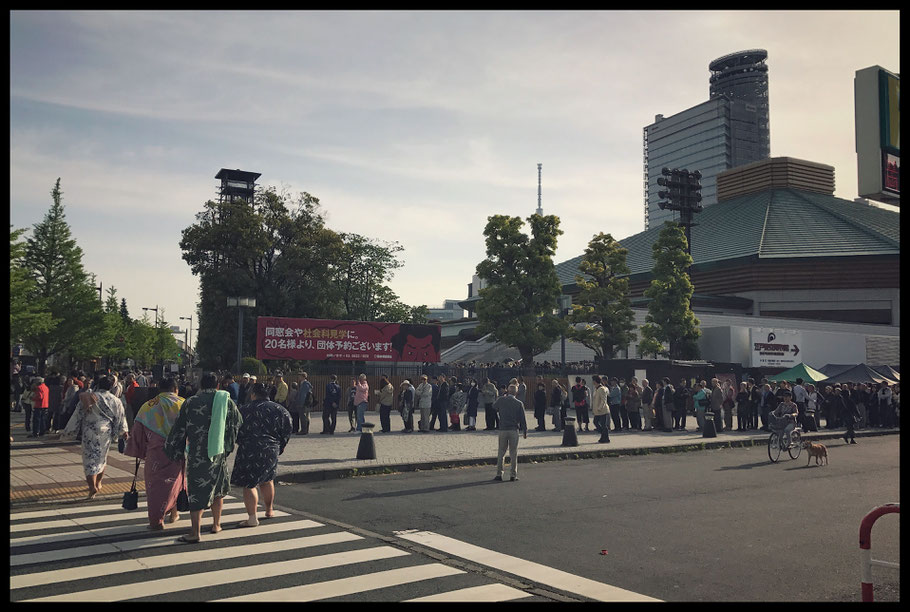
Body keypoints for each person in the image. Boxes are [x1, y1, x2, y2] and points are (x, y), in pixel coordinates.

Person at [164, 372, 242, 543]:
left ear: (200, 385)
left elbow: (179, 428)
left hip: (197, 453)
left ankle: (195, 532)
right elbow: (236, 423)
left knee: (197, 492)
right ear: (218, 386)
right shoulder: (225, 401)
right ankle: (216, 524)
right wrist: (228, 445)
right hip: (218, 452)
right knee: (218, 489)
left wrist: (174, 451)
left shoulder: (191, 402)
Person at [124, 377, 186, 530]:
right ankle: (174, 512)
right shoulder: (184, 404)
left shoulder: (149, 405)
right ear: (175, 389)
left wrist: (139, 449)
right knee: (176, 483)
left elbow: (138, 430)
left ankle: (157, 521)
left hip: (155, 453)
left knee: (155, 487)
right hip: (178, 451)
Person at [230, 382, 292, 528]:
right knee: (268, 480)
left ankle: (252, 517)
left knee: (249, 484)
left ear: (253, 394)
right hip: (271, 448)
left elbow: (235, 429)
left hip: (249, 448)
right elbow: (288, 429)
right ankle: (269, 510)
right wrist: (280, 445)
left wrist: (240, 441)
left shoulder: (244, 410)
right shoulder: (280, 409)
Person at [63, 375, 129, 499]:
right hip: (106, 433)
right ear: (111, 387)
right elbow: (121, 417)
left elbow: (78, 413)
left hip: (89, 430)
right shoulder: (115, 400)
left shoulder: (89, 397)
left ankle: (92, 486)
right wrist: (123, 431)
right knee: (101, 458)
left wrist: (70, 430)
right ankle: (98, 482)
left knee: (89, 459)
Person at [492, 384, 528, 481]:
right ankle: (513, 475)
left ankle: (499, 474)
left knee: (501, 452)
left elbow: (494, 407)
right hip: (513, 430)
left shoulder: (501, 400)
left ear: (507, 391)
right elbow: (522, 419)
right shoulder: (519, 403)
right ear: (516, 392)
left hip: (503, 429)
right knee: (513, 453)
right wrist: (525, 431)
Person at [591, 375, 611, 443]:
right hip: (597, 411)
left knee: (603, 424)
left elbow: (603, 400)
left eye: (593, 380)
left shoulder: (602, 389)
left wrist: (600, 408)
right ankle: (604, 436)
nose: (592, 382)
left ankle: (605, 437)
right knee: (595, 422)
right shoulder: (596, 389)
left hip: (603, 410)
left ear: (595, 381)